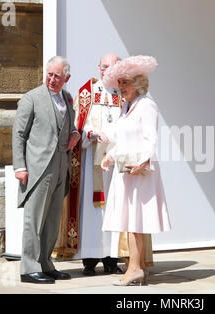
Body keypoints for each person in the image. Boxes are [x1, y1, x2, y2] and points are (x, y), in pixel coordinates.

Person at [101, 55, 172, 286]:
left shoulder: (147, 105)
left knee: (134, 222)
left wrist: (143, 161)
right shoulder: (126, 107)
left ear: (138, 84)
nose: (120, 88)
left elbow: (151, 139)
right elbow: (123, 139)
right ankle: (139, 267)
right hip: (126, 171)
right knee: (132, 222)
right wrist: (110, 156)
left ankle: (133, 268)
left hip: (139, 173)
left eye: (125, 83)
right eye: (119, 83)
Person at [13, 56, 81, 283]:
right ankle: (28, 268)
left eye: (57, 76)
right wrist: (20, 167)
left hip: (62, 164)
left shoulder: (68, 98)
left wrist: (75, 134)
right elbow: (19, 135)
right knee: (34, 219)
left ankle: (45, 263)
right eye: (49, 74)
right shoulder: (31, 98)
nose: (52, 79)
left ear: (66, 78)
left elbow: (69, 127)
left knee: (52, 219)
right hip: (37, 167)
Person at [73, 53, 124, 275]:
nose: (104, 71)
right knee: (93, 210)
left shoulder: (124, 95)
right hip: (91, 160)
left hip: (115, 163)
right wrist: (91, 134)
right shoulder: (87, 93)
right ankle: (90, 259)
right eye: (102, 66)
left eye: (109, 67)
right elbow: (76, 127)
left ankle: (112, 258)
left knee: (115, 208)